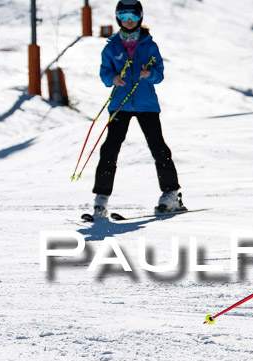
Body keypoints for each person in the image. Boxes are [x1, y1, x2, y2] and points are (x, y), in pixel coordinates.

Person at [92, 0, 184, 218]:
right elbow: (104, 74)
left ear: (140, 17)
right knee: (109, 150)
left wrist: (149, 74)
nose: (129, 21)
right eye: (124, 17)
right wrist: (112, 77)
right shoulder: (112, 46)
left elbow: (159, 74)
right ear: (118, 19)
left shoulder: (149, 45)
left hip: (146, 104)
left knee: (158, 147)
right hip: (119, 104)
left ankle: (171, 194)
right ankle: (100, 200)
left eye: (133, 16)